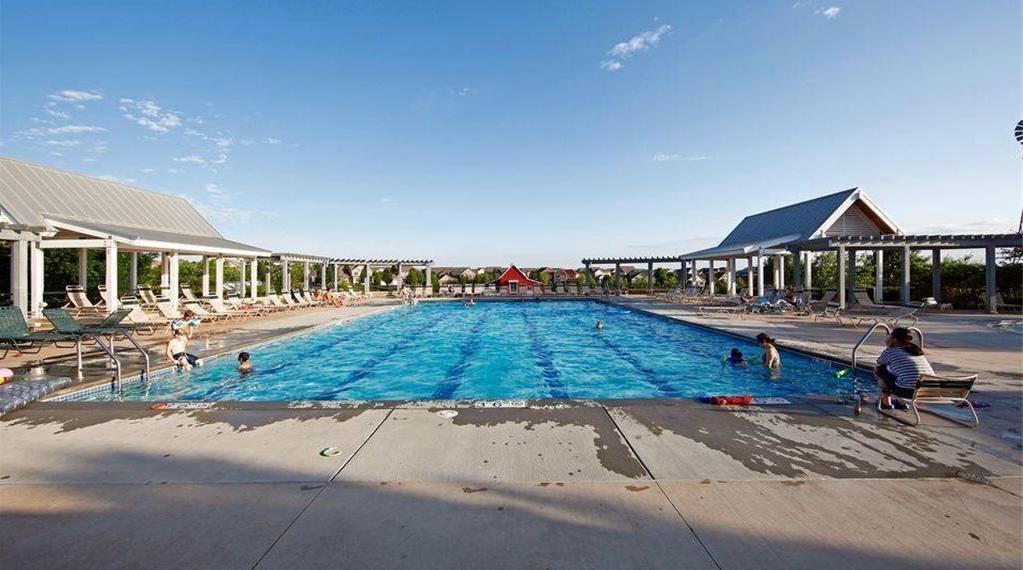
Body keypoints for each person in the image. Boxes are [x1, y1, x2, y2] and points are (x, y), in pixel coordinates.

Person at [874, 327, 933, 410]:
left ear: (894, 339)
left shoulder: (891, 351)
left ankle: (886, 402)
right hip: (928, 390)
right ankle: (900, 402)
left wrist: (888, 346)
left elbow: (880, 361)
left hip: (907, 391)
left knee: (879, 369)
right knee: (896, 373)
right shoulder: (916, 351)